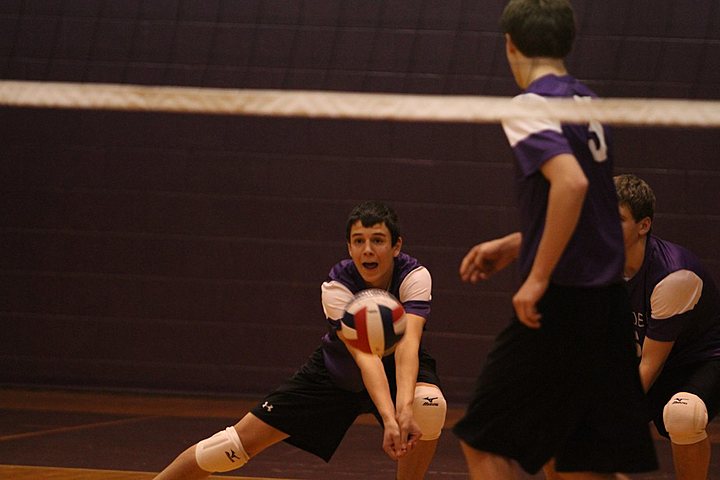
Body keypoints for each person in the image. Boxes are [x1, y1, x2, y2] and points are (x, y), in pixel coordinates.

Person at [451, 1, 658, 479]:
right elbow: (598, 209)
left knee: (484, 442)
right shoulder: (587, 102)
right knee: (584, 460)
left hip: (562, 302)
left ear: (511, 45)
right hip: (606, 303)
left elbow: (572, 185)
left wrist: (537, 276)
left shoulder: (530, 105)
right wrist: (516, 243)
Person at [153, 201, 446, 480]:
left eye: (378, 240)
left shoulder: (414, 277)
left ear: (396, 246)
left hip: (397, 369)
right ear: (349, 247)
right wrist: (389, 418)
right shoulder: (336, 287)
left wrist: (404, 409)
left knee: (428, 406)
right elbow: (366, 357)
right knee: (227, 448)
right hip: (336, 374)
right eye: (358, 241)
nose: (368, 250)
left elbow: (409, 344)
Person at [615, 173, 720, 480]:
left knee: (682, 414)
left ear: (643, 226)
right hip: (648, 354)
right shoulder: (596, 263)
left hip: (701, 360)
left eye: (617, 219)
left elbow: (650, 364)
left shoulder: (673, 276)